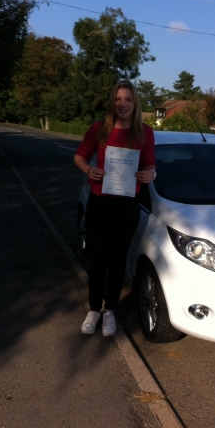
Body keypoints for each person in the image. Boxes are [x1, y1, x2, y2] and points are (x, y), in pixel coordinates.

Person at [74, 81, 156, 336]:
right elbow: (78, 157)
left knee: (118, 260)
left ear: (135, 103)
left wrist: (149, 174)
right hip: (100, 202)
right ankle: (94, 309)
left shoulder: (144, 132)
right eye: (119, 99)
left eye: (128, 100)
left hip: (127, 205)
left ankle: (110, 310)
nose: (123, 104)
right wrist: (89, 169)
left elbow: (151, 165)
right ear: (113, 102)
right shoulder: (100, 128)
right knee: (99, 259)